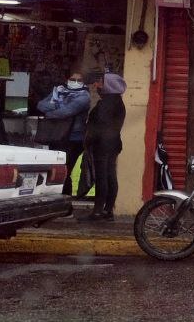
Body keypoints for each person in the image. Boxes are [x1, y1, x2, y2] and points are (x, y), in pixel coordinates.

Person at [37, 69, 92, 194]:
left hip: (73, 139)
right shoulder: (59, 90)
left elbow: (67, 111)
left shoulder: (84, 96)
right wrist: (56, 108)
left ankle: (66, 202)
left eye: (79, 80)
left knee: (65, 171)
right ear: (67, 79)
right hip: (57, 136)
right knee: (56, 171)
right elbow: (40, 105)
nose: (76, 82)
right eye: (73, 79)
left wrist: (52, 110)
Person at [82, 73, 127, 221]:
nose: (97, 85)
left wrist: (89, 140)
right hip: (113, 143)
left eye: (101, 82)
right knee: (110, 175)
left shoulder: (106, 104)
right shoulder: (118, 102)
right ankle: (108, 210)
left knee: (102, 177)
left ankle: (97, 211)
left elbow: (98, 126)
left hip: (102, 144)